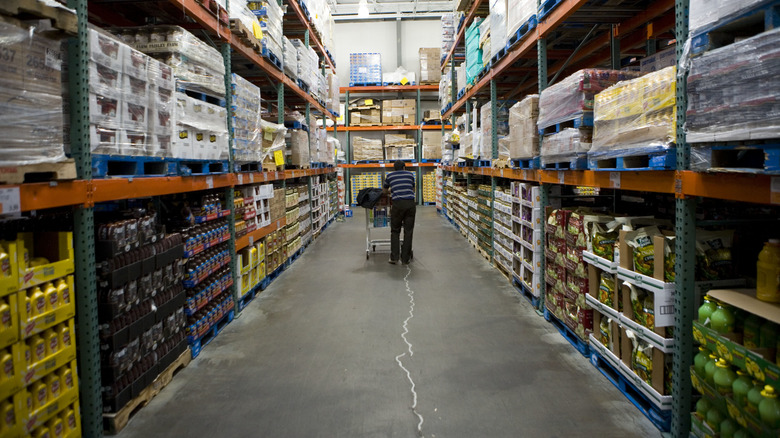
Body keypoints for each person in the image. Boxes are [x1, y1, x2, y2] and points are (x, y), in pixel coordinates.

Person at [383, 161, 416, 265]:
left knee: (395, 231)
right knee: (408, 231)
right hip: (410, 205)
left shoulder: (389, 176)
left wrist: (392, 191)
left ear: (394, 169)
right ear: (404, 167)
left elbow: (384, 191)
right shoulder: (410, 175)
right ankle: (405, 259)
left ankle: (394, 257)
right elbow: (413, 189)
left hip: (397, 205)